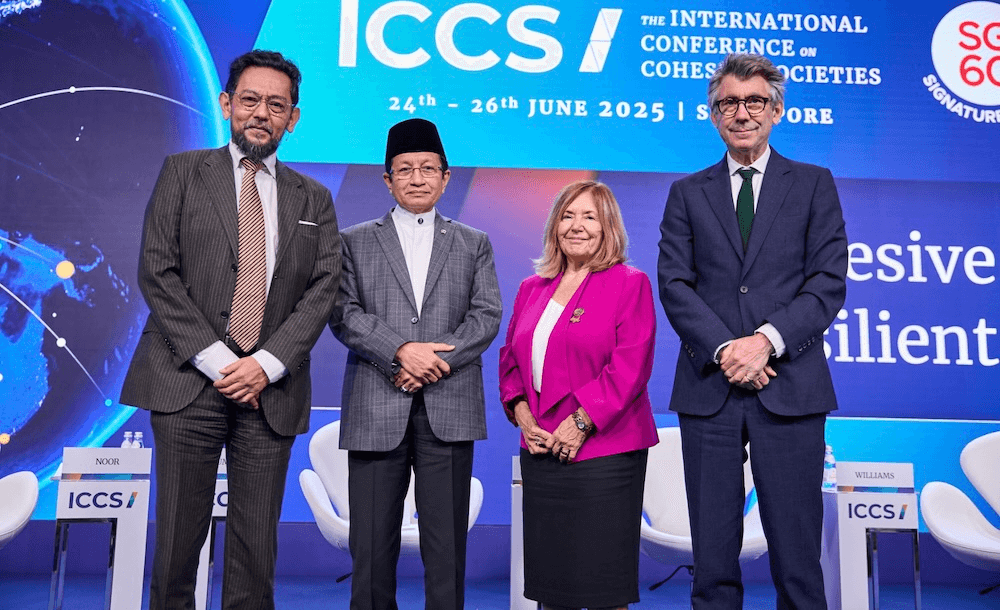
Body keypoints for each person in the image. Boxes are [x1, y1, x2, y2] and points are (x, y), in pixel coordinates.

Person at [120, 50, 341, 609]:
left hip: (270, 390)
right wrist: (221, 362)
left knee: (254, 546)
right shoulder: (182, 172)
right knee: (176, 541)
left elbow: (323, 291)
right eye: (249, 100)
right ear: (226, 105)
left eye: (276, 104)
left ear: (293, 117)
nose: (260, 113)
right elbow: (157, 271)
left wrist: (264, 366)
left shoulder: (313, 197)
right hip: (188, 383)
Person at [658, 53, 848, 609]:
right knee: (712, 559)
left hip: (790, 387)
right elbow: (675, 284)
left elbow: (827, 282)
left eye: (754, 101)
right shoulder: (687, 192)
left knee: (797, 557)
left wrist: (764, 342)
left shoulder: (814, 184)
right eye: (728, 103)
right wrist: (725, 350)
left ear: (776, 110)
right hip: (708, 390)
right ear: (713, 115)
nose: (742, 113)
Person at [330, 117, 502, 610]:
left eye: (428, 168)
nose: (417, 177)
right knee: (370, 545)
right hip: (375, 406)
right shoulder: (354, 239)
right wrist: (400, 352)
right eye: (405, 169)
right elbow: (343, 312)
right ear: (387, 179)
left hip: (449, 407)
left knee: (446, 547)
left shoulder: (474, 241)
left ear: (446, 177)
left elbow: (486, 315)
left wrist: (430, 361)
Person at [498, 180, 659, 610]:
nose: (576, 226)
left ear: (608, 226)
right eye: (567, 216)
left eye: (589, 216)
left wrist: (581, 422)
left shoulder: (629, 283)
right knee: (552, 586)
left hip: (605, 453)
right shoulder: (532, 287)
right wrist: (524, 417)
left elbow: (630, 366)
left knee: (602, 588)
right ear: (554, 227)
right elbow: (510, 358)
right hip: (542, 450)